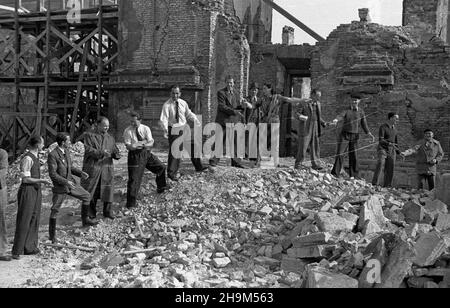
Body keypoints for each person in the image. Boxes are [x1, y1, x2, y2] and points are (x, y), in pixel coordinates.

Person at [48, 133, 95, 243]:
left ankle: (85, 220)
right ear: (63, 142)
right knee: (55, 210)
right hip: (61, 186)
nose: (70, 142)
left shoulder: (67, 152)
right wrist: (66, 182)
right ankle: (52, 236)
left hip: (71, 184)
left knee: (87, 196)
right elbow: (53, 174)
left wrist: (80, 173)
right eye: (68, 141)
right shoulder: (53, 155)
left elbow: (70, 167)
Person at [12, 136, 51, 259]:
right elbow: (26, 178)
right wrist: (42, 180)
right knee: (25, 218)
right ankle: (17, 250)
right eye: (42, 144)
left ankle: (29, 247)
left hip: (35, 190)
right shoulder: (28, 158)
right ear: (37, 145)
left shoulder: (35, 157)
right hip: (27, 190)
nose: (43, 146)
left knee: (34, 216)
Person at [160, 85, 208, 181]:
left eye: (177, 93)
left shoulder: (183, 103)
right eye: (173, 93)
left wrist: (195, 120)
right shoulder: (167, 105)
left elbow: (188, 113)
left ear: (180, 94)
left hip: (184, 127)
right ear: (170, 93)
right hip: (174, 129)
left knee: (192, 147)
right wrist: (165, 130)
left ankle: (199, 167)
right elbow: (164, 119)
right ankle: (171, 173)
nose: (175, 95)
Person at [124, 112, 168, 209]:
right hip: (134, 156)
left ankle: (161, 188)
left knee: (161, 167)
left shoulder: (145, 128)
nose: (132, 124)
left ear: (140, 120)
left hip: (146, 153)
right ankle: (131, 204)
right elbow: (129, 146)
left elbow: (151, 142)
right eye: (131, 122)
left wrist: (143, 144)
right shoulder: (128, 131)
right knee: (134, 179)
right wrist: (135, 145)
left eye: (134, 122)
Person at [81, 117, 121, 220]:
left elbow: (115, 149)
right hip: (93, 167)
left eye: (108, 126)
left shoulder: (110, 138)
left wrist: (116, 154)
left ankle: (107, 212)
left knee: (108, 188)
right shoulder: (89, 136)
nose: (106, 128)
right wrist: (102, 153)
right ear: (97, 125)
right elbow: (88, 149)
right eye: (104, 126)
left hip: (107, 168)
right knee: (91, 190)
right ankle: (91, 213)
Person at [330, 97, 375, 178]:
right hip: (345, 135)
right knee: (340, 153)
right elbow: (340, 116)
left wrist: (368, 133)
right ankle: (335, 173)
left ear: (359, 101)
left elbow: (364, 123)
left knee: (354, 155)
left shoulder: (361, 111)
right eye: (353, 100)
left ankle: (353, 175)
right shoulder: (346, 110)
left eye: (356, 100)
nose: (354, 101)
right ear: (350, 101)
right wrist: (336, 120)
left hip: (355, 136)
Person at [209, 76, 248, 169]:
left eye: (231, 83)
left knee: (234, 142)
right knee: (219, 141)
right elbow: (222, 106)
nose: (230, 84)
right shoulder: (221, 93)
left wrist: (243, 106)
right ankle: (213, 161)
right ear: (225, 83)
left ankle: (236, 162)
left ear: (234, 84)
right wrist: (234, 111)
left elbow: (237, 107)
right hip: (223, 121)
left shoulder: (236, 94)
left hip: (233, 121)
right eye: (228, 82)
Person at [294, 89, 328, 170]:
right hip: (306, 127)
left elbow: (318, 116)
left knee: (315, 146)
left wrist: (323, 123)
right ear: (312, 95)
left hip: (315, 126)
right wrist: (300, 117)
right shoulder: (303, 103)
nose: (319, 98)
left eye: (319, 96)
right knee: (303, 146)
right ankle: (298, 164)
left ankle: (316, 164)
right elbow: (296, 113)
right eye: (317, 96)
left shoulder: (318, 104)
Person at [372, 112, 401, 187]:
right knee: (380, 163)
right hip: (382, 148)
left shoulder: (395, 130)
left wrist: (399, 152)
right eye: (396, 118)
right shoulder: (383, 127)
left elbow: (396, 142)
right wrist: (389, 144)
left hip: (392, 150)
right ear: (391, 118)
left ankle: (387, 186)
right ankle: (375, 184)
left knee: (390, 167)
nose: (397, 120)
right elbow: (381, 140)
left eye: (398, 118)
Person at [243, 82, 263, 165]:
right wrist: (244, 122)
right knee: (247, 138)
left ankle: (254, 157)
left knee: (255, 139)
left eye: (255, 90)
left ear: (257, 91)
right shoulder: (246, 99)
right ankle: (246, 155)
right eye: (252, 90)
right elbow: (243, 112)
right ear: (250, 91)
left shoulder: (259, 100)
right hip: (249, 120)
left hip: (257, 121)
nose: (254, 92)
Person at [0, 148, 11, 261]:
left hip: (0, 190)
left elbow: (2, 172)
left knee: (1, 219)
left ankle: (1, 250)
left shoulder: (2, 153)